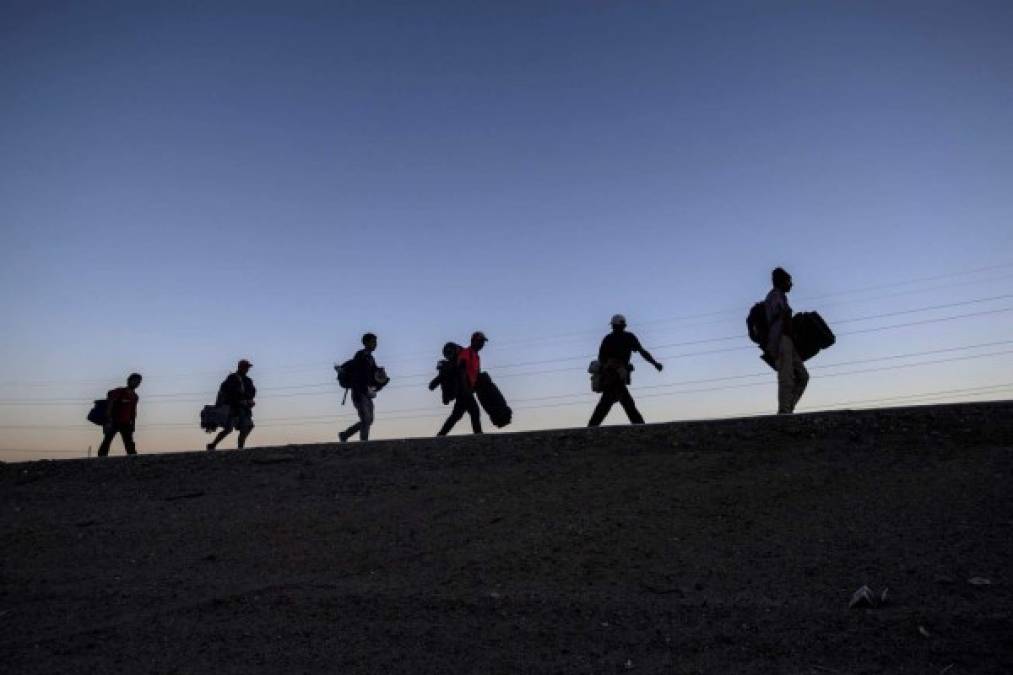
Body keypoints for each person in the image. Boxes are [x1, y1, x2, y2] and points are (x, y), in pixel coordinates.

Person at [588, 315, 663, 427]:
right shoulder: (628, 337)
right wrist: (655, 363)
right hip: (614, 377)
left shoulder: (610, 338)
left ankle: (591, 428)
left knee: (612, 403)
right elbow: (642, 352)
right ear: (623, 325)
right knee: (621, 403)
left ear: (613, 326)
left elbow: (601, 358)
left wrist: (654, 363)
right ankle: (641, 427)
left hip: (613, 376)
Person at [765, 267, 809, 414]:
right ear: (781, 281)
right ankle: (784, 413)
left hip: (788, 341)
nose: (791, 284)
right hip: (780, 340)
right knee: (786, 378)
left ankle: (787, 409)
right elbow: (781, 319)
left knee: (803, 376)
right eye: (788, 281)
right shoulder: (775, 296)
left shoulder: (782, 297)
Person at [437, 331, 488, 436]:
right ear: (474, 341)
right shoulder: (466, 353)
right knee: (474, 411)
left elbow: (475, 375)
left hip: (468, 389)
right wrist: (465, 389)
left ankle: (441, 435)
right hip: (463, 388)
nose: (482, 344)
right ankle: (479, 436)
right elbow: (461, 370)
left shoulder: (477, 357)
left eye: (483, 342)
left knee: (456, 415)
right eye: (480, 341)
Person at [339, 333, 382, 442]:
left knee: (369, 420)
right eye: (373, 342)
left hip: (367, 392)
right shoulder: (360, 356)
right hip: (359, 391)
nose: (375, 344)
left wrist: (380, 375)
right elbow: (359, 374)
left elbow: (373, 374)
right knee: (366, 419)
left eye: (375, 342)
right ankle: (364, 443)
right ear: (366, 343)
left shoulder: (370, 358)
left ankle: (345, 435)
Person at [207, 360, 257, 451]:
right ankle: (213, 445)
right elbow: (229, 392)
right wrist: (239, 400)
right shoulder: (232, 378)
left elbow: (252, 392)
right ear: (240, 367)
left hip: (244, 409)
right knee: (229, 429)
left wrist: (249, 401)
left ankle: (240, 447)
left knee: (247, 426)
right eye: (246, 367)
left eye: (247, 367)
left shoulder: (247, 380)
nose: (247, 369)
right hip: (233, 409)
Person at [97, 373, 142, 456]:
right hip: (114, 421)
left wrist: (133, 425)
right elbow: (110, 405)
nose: (136, 383)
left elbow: (133, 412)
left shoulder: (135, 396)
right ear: (129, 381)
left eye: (138, 382)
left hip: (126, 423)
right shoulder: (119, 392)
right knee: (107, 440)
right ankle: (101, 457)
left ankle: (133, 458)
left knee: (129, 442)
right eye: (134, 381)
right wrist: (108, 420)